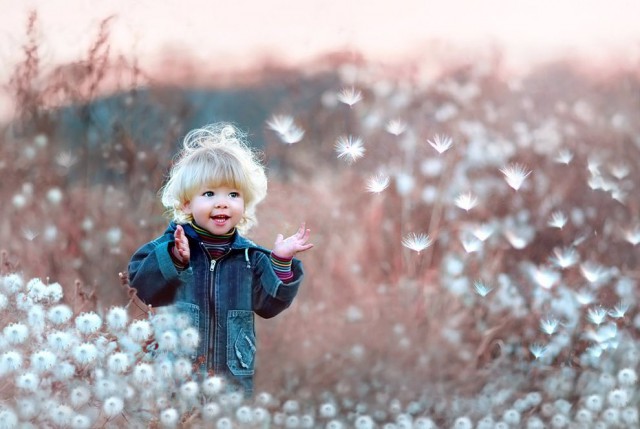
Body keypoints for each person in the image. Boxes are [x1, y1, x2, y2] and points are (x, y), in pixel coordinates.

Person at [128, 122, 313, 396]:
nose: (222, 202)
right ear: (186, 204)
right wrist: (175, 260)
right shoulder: (172, 246)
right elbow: (143, 286)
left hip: (231, 386)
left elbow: (269, 305)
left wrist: (280, 263)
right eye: (209, 193)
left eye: (233, 194)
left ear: (245, 203)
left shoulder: (251, 258)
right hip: (175, 385)